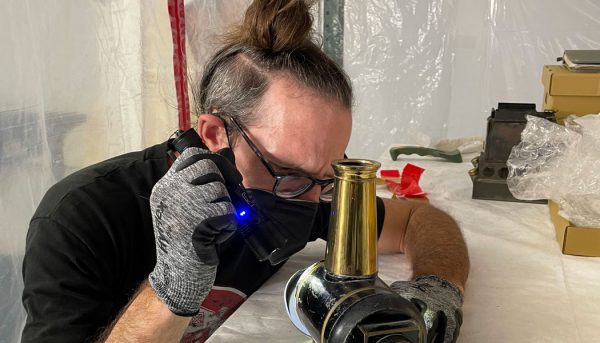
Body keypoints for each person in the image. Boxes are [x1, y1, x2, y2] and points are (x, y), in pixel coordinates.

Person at [21, 0, 469, 342]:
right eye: (288, 173)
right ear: (215, 133)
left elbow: (421, 220)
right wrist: (171, 289)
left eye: (325, 179)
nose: (311, 203)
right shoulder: (81, 219)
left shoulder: (302, 191)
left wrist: (439, 285)